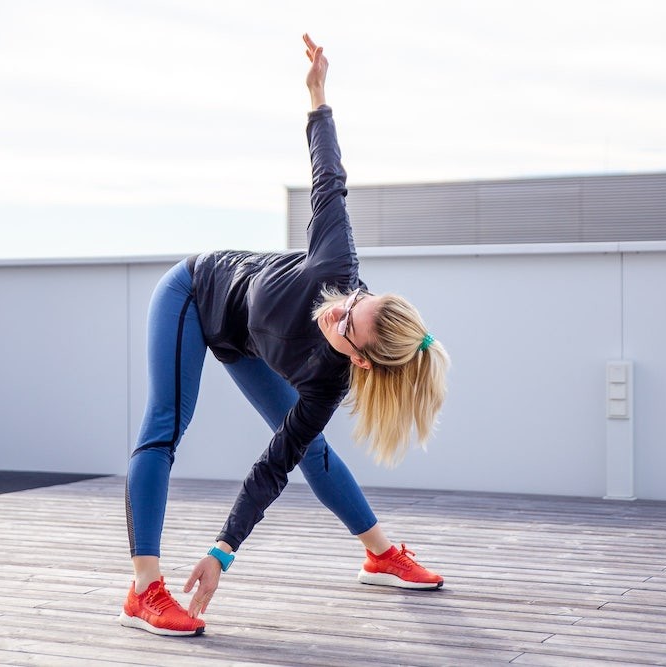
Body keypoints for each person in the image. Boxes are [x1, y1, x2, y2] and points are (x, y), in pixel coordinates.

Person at [118, 33, 450, 637]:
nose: (336, 312)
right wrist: (319, 94)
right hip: (193, 294)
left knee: (307, 447)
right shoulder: (335, 265)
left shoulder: (327, 383)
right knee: (165, 426)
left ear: (363, 364)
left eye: (348, 326)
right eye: (354, 302)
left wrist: (222, 551)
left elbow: (274, 467)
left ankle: (378, 552)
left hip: (242, 339)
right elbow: (329, 175)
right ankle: (144, 589)